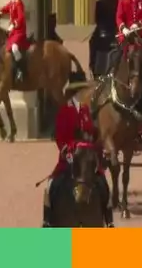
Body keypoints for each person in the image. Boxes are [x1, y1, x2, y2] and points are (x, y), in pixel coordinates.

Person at [43, 79, 114, 228]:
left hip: (88, 156)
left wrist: (100, 145)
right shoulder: (64, 111)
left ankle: (109, 220)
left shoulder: (85, 110)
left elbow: (91, 132)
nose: (85, 94)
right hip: (70, 155)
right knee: (51, 186)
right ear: (75, 93)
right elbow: (60, 137)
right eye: (82, 91)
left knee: (103, 184)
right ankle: (47, 221)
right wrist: (66, 151)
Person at [0, 0, 28, 84]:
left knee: (14, 48)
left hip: (19, 31)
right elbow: (5, 8)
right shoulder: (12, 2)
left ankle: (20, 70)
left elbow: (21, 18)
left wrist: (13, 25)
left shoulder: (19, 3)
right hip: (13, 32)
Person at [90, 0, 118, 78]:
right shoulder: (109, 4)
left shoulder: (101, 4)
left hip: (105, 34)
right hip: (108, 34)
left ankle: (97, 71)